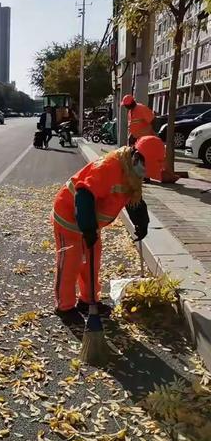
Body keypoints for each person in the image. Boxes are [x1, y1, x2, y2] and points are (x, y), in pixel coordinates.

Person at [51, 135, 165, 323]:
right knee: (71, 261)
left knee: (92, 260)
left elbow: (131, 197)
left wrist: (141, 221)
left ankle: (89, 301)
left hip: (90, 221)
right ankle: (65, 306)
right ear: (137, 157)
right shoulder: (108, 167)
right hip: (69, 215)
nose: (144, 175)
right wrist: (87, 228)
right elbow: (84, 195)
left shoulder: (132, 171)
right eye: (145, 169)